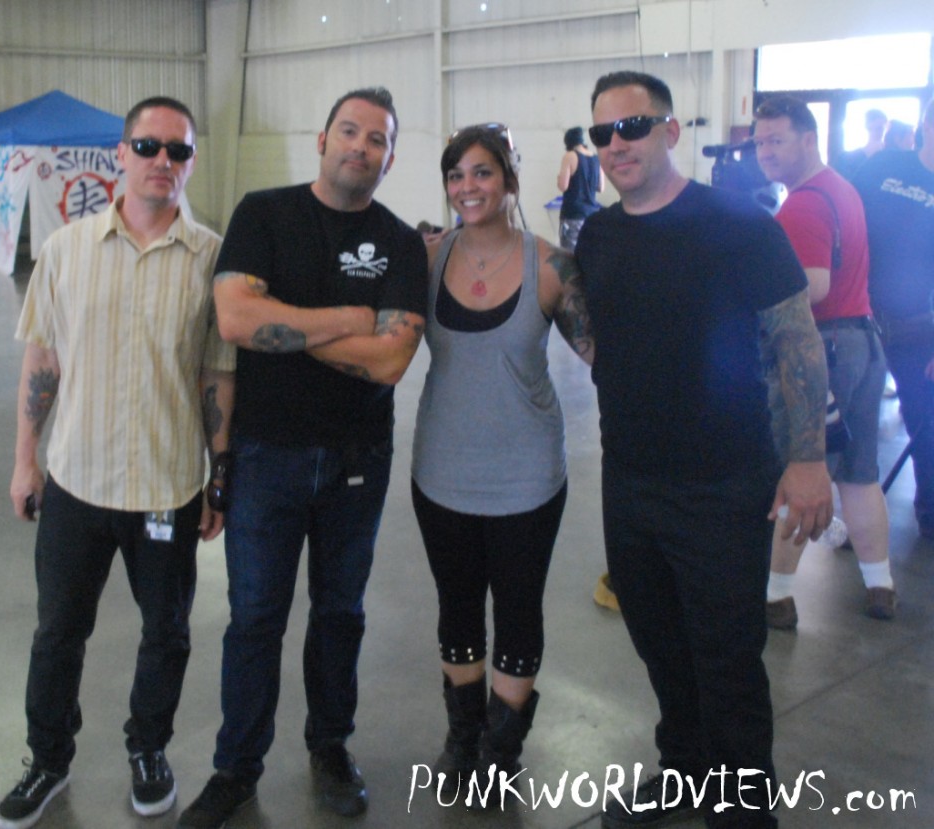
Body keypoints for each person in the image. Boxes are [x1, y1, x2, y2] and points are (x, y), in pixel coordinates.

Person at [575, 71, 833, 829]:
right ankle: (685, 770)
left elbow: (797, 340)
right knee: (659, 642)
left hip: (723, 482)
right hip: (629, 477)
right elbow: (591, 327)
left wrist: (809, 457)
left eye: (632, 126)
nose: (616, 145)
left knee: (726, 657)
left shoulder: (739, 222)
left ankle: (745, 809)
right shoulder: (600, 233)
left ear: (671, 131)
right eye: (602, 134)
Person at [178, 87, 428, 829]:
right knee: (254, 616)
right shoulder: (263, 212)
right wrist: (351, 319)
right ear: (321, 138)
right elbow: (236, 319)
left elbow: (390, 364)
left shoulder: (400, 241)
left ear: (389, 156)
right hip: (266, 457)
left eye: (377, 138)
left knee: (340, 612)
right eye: (349, 131)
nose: (360, 146)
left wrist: (288, 324)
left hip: (358, 461)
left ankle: (329, 745)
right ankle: (235, 766)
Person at [0, 96, 235, 829]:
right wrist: (25, 461)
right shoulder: (65, 249)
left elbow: (216, 374)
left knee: (167, 631)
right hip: (77, 480)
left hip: (167, 486)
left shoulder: (211, 256)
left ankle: (148, 748)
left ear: (190, 161)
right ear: (120, 154)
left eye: (178, 150)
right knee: (58, 630)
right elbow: (42, 357)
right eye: (148, 145)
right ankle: (47, 757)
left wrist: (220, 474)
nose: (163, 160)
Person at [411, 123, 594, 791]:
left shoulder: (550, 266)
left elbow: (606, 360)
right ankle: (463, 738)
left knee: (518, 610)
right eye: (456, 175)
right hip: (441, 471)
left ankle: (501, 750)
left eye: (482, 173)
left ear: (509, 180)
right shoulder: (428, 259)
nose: (468, 187)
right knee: (457, 607)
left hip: (527, 479)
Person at [753, 95, 896, 627]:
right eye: (760, 141)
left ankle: (776, 595)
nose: (765, 151)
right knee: (861, 475)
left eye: (777, 140)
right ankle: (880, 586)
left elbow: (812, 286)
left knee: (802, 468)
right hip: (864, 341)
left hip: (826, 352)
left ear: (808, 138)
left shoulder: (805, 203)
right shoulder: (842, 189)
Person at [853, 99, 934, 539]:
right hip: (859, 319)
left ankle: (930, 511)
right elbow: (844, 218)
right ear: (926, 123)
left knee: (926, 420)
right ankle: (839, 509)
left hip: (918, 327)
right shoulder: (883, 165)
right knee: (844, 423)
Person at [556, 125, 603, 251]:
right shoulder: (596, 158)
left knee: (570, 257)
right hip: (592, 215)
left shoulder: (570, 156)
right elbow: (601, 187)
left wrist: (559, 179)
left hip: (573, 215)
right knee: (589, 254)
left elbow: (563, 186)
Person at [833, 107, 886, 180]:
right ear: (867, 126)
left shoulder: (888, 159)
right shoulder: (846, 159)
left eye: (883, 129)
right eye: (879, 128)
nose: (881, 133)